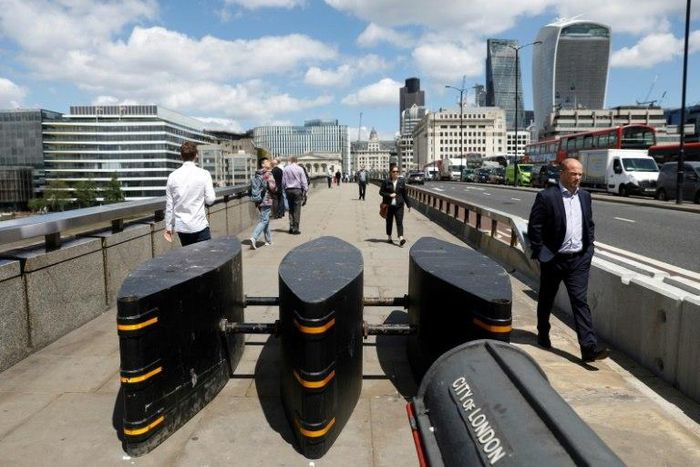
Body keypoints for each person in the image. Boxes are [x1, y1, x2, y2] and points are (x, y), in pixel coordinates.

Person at [527, 158, 608, 363]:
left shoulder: (585, 196)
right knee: (546, 298)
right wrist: (542, 253)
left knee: (580, 302)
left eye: (580, 174)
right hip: (553, 259)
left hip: (578, 260)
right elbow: (534, 228)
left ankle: (589, 348)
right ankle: (543, 332)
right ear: (562, 173)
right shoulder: (546, 197)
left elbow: (589, 225)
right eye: (573, 173)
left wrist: (589, 249)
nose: (578, 178)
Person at [164, 141, 216, 246]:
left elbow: (169, 206)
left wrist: (169, 227)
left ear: (181, 156)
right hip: (200, 225)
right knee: (206, 259)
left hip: (182, 228)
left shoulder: (172, 176)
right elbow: (210, 200)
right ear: (196, 155)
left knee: (189, 258)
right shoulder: (204, 174)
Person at [379, 165, 410, 246]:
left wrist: (408, 204)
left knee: (399, 222)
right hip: (389, 206)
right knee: (389, 222)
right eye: (394, 171)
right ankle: (389, 237)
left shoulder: (401, 182)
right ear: (390, 172)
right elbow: (381, 192)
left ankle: (401, 238)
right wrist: (389, 195)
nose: (395, 173)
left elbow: (404, 194)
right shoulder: (386, 181)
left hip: (399, 205)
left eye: (397, 171)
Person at [249, 158, 277, 249]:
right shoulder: (268, 174)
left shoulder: (257, 174)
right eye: (267, 161)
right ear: (263, 165)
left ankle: (268, 240)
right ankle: (254, 237)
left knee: (266, 219)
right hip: (266, 199)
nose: (269, 162)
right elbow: (273, 187)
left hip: (258, 199)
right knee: (264, 220)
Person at [282, 155, 308, 234]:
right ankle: (296, 228)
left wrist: (284, 189)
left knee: (291, 209)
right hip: (297, 190)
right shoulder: (300, 169)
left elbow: (283, 181)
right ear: (297, 161)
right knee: (297, 209)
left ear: (290, 160)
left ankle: (291, 226)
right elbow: (304, 181)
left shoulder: (286, 169)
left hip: (288, 190)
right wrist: (305, 191)